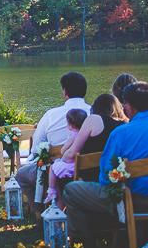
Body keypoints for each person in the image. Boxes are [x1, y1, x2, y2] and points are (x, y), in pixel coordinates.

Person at [63, 82, 148, 248]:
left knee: (72, 190)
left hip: (132, 201)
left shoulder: (122, 133)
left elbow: (106, 176)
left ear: (129, 107)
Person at [15, 72, 92, 211]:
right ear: (85, 91)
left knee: (21, 175)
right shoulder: (93, 113)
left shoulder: (51, 115)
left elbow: (36, 147)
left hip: (55, 172)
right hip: (87, 170)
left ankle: (40, 212)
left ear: (65, 92)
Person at [75, 94, 128, 179]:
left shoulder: (95, 119)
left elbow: (72, 152)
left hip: (92, 176)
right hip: (117, 177)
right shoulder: (126, 125)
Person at [45, 108, 88, 209]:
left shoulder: (72, 136)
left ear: (70, 124)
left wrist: (62, 150)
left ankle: (51, 190)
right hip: (77, 165)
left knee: (53, 168)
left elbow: (64, 149)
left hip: (70, 163)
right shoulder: (85, 135)